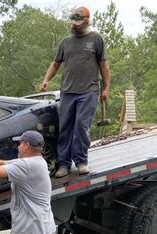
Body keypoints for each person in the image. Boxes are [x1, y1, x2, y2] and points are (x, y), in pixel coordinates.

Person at [40, 6, 111, 178]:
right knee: (65, 128)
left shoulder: (96, 39)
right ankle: (64, 164)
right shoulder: (65, 42)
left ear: (87, 21)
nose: (75, 25)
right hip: (67, 92)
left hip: (88, 91)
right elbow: (55, 63)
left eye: (79, 23)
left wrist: (107, 88)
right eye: (73, 23)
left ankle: (81, 161)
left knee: (81, 126)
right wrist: (46, 80)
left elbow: (103, 65)